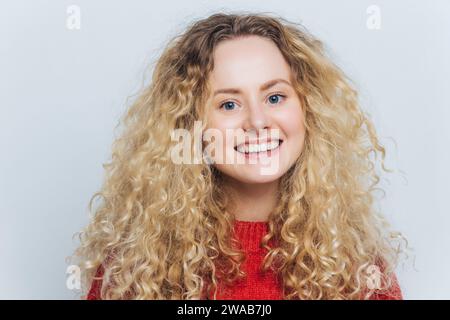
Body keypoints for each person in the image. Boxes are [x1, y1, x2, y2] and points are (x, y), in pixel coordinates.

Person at [70, 12, 407, 300]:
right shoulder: (135, 270)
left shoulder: (358, 267)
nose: (258, 122)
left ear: (308, 109)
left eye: (275, 97)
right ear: (192, 125)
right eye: (228, 104)